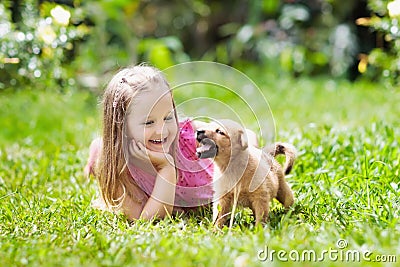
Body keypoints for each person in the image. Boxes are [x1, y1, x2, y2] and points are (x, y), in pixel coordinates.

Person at [84, 64, 258, 221]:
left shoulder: (188, 138)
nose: (162, 130)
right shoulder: (119, 170)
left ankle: (100, 146)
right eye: (148, 122)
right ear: (121, 126)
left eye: (167, 117)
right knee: (103, 156)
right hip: (116, 150)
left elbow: (244, 136)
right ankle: (97, 149)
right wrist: (167, 169)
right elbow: (144, 220)